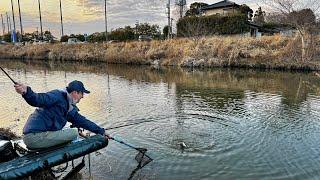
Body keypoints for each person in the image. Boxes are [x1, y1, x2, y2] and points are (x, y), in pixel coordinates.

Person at [14, 80, 111, 149]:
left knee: (73, 129)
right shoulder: (57, 96)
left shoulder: (67, 105)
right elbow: (39, 99)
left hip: (34, 136)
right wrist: (26, 92)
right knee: (73, 132)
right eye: (82, 94)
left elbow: (82, 121)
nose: (83, 97)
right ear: (75, 92)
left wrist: (101, 131)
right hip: (35, 138)